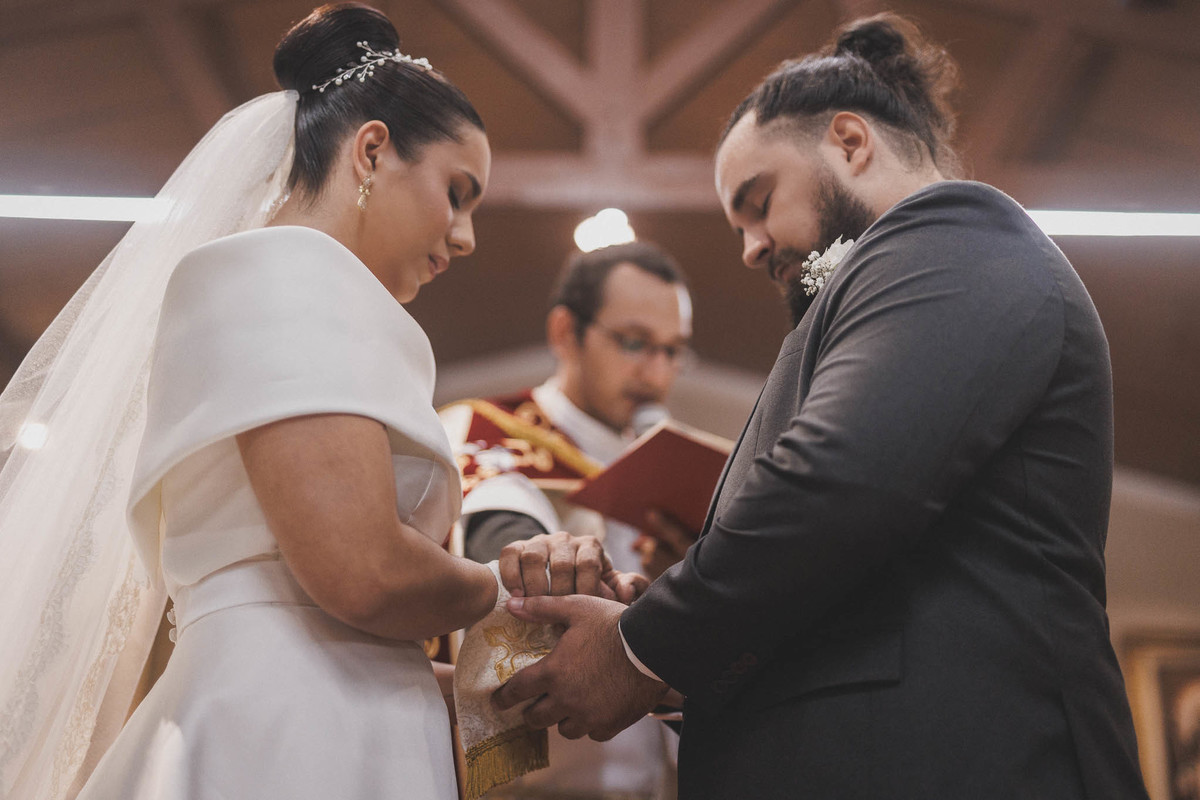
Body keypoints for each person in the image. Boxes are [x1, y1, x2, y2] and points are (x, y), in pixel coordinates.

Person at [492, 13, 1152, 799]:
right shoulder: (889, 285)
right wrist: (680, 648)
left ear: (849, 141)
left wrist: (641, 649)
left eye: (758, 199)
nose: (749, 247)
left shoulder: (956, 239)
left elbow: (836, 483)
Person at [0, 4, 616, 799]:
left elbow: (332, 609)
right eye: (456, 193)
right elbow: (362, 574)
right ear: (371, 151)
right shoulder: (284, 274)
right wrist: (509, 591)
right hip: (287, 732)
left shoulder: (303, 291)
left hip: (321, 706)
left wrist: (508, 684)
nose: (464, 236)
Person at [440, 242, 693, 799]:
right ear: (563, 332)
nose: (656, 374)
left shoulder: (679, 472)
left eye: (672, 352)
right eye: (634, 343)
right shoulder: (491, 434)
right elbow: (503, 546)